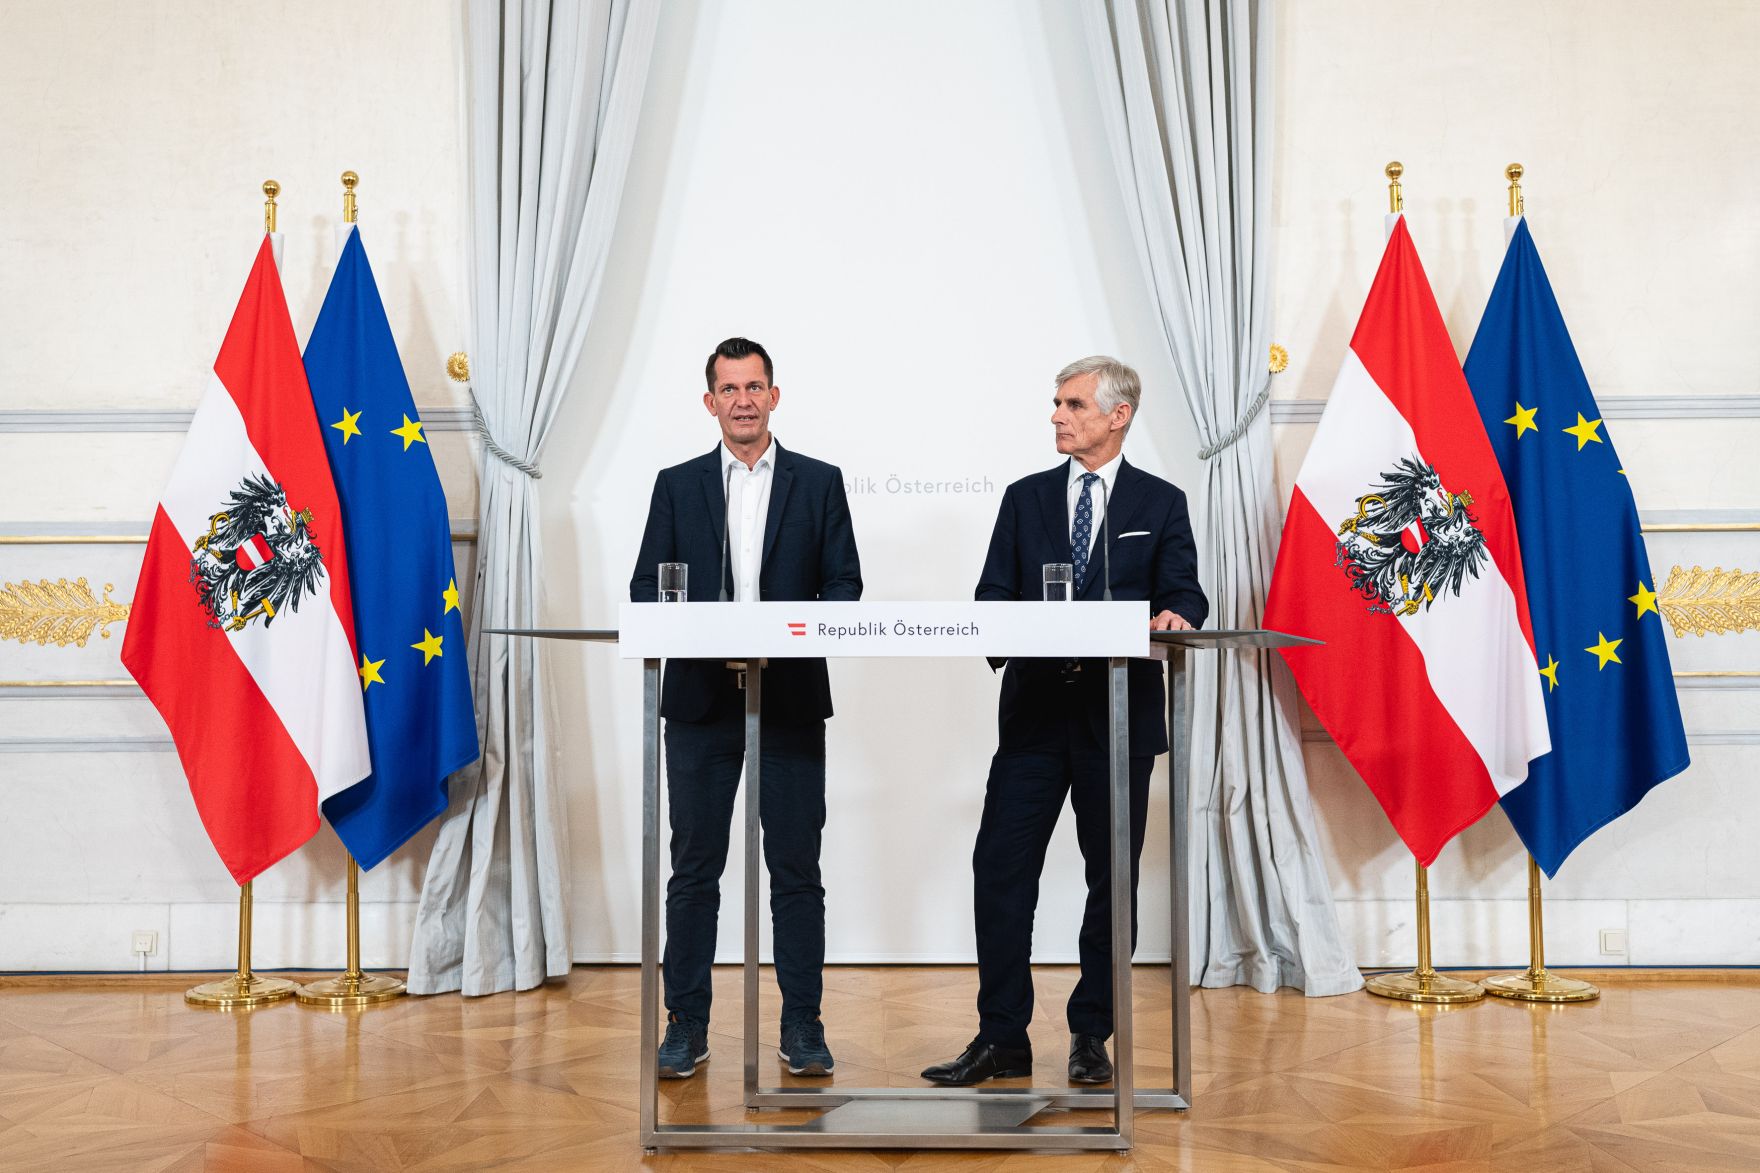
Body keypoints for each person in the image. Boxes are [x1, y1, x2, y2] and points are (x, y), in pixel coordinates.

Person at [921, 355, 1207, 1087]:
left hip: (1118, 718)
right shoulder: (1025, 499)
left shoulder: (1161, 502)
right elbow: (991, 595)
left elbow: (1184, 593)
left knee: (1111, 881)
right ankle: (1001, 1036)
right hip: (1036, 718)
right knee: (1000, 869)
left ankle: (1090, 1035)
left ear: (1118, 416)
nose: (1057, 415)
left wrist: (1176, 614)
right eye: (1056, 402)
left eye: (1073, 404)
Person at [630, 337, 862, 1080]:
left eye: (754, 386)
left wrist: (784, 632)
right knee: (694, 869)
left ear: (774, 395)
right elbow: (645, 592)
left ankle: (802, 1025)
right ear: (710, 402)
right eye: (728, 388)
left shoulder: (819, 482)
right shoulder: (677, 485)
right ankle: (685, 1024)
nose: (742, 399)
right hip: (701, 705)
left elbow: (845, 590)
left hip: (789, 702)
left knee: (796, 868)